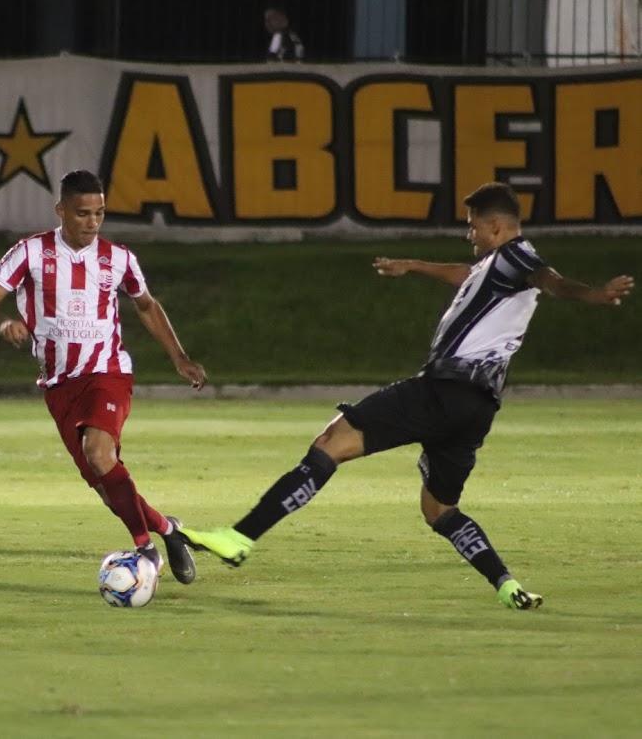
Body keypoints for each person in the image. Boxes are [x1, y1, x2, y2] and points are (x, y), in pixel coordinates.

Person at [180, 182, 634, 610]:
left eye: (473, 225)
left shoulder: (517, 260)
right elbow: (469, 275)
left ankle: (240, 537)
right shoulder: (499, 265)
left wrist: (593, 294)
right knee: (439, 510)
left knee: (330, 445)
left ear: (496, 226)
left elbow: (550, 280)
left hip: (443, 391)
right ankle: (507, 583)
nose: (468, 233)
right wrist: (414, 265)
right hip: (477, 409)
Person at [0, 169, 208, 585]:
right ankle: (169, 531)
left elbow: (147, 306)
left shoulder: (119, 259)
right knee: (104, 485)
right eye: (82, 213)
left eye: (98, 213)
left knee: (100, 454)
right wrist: (3, 323)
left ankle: (146, 551)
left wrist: (179, 358)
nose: (92, 222)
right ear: (61, 210)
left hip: (107, 372)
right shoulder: (29, 253)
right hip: (60, 384)